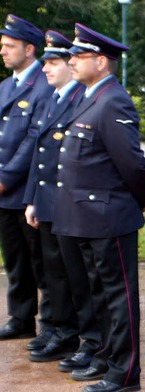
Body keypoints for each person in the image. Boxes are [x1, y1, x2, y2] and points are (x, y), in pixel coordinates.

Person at [51, 23, 145, 392]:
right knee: (98, 294)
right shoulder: (88, 96)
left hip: (109, 216)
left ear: (101, 61)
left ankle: (126, 373)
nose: (72, 62)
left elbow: (134, 165)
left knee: (118, 298)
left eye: (78, 56)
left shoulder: (113, 100)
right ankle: (106, 357)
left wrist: (140, 200)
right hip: (87, 216)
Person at [22, 30, 92, 364]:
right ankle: (56, 327)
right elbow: (40, 153)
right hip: (48, 199)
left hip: (68, 202)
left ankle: (69, 334)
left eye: (53, 63)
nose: (46, 69)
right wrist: (33, 198)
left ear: (70, 64)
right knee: (51, 270)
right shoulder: (52, 97)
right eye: (46, 62)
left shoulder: (79, 98)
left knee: (70, 272)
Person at [0, 14, 52, 345]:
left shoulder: (43, 86)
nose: (3, 52)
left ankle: (53, 323)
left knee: (41, 259)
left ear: (29, 49)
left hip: (26, 188)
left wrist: (5, 177)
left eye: (9, 46)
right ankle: (21, 318)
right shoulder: (6, 86)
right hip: (4, 191)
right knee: (14, 258)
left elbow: (34, 138)